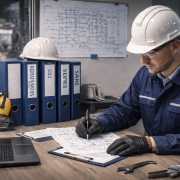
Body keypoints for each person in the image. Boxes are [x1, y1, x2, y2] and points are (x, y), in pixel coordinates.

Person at [76, 5, 180, 156]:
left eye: (151, 52)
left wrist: (150, 143)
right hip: (156, 161)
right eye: (140, 53)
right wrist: (100, 122)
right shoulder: (145, 75)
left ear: (175, 46)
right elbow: (125, 110)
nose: (143, 60)